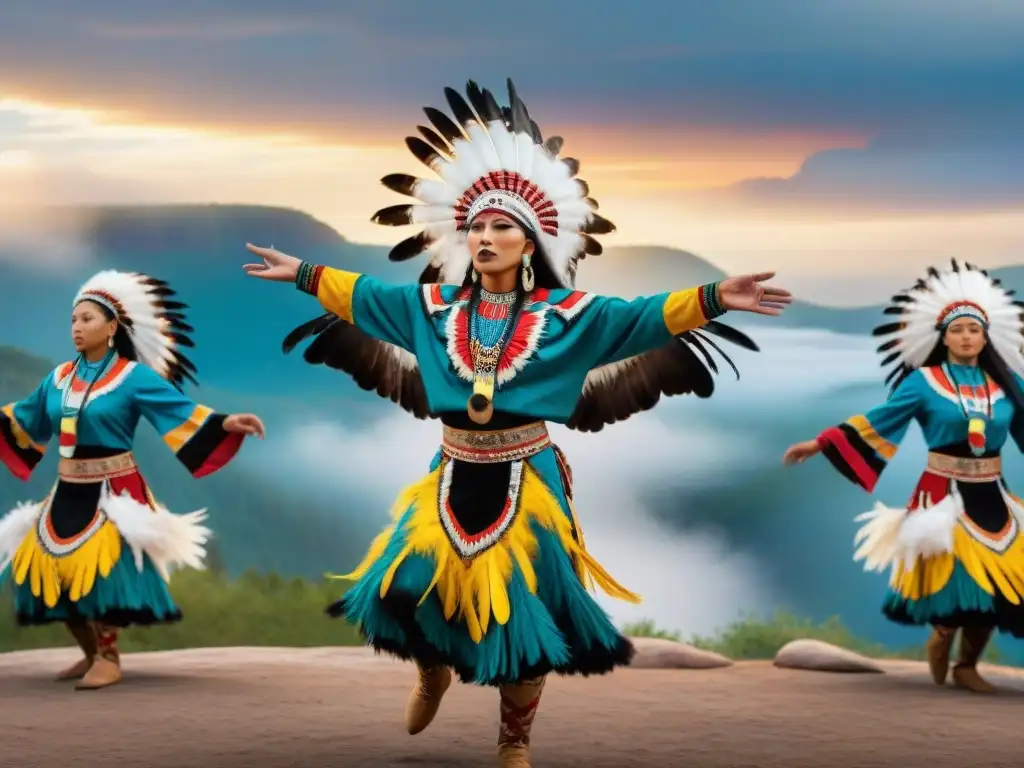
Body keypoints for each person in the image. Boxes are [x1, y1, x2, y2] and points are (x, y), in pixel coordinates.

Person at [244, 79, 791, 766]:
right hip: (450, 470)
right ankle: (432, 669)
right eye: (475, 226)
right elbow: (364, 296)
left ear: (530, 242)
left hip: (527, 476)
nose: (484, 235)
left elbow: (644, 316)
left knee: (526, 614)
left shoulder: (573, 319)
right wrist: (301, 272)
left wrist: (715, 296)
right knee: (408, 587)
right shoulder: (431, 308)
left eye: (501, 226)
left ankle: (514, 740)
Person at [0, 270, 266, 690]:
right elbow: (26, 418)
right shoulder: (58, 378)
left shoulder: (132, 377)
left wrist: (227, 422)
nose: (77, 327)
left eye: (87, 319)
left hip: (114, 489)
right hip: (66, 489)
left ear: (111, 327)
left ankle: (109, 656)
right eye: (73, 320)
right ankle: (90, 652)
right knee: (49, 568)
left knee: (105, 572)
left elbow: (178, 411)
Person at [783, 259, 1024, 694]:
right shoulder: (923, 382)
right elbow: (880, 419)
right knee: (960, 581)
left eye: (974, 330)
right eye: (958, 330)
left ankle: (967, 664)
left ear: (986, 336)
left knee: (1004, 582)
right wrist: (820, 443)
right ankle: (942, 637)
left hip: (994, 493)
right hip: (942, 496)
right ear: (943, 336)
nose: (967, 337)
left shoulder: (1007, 386)